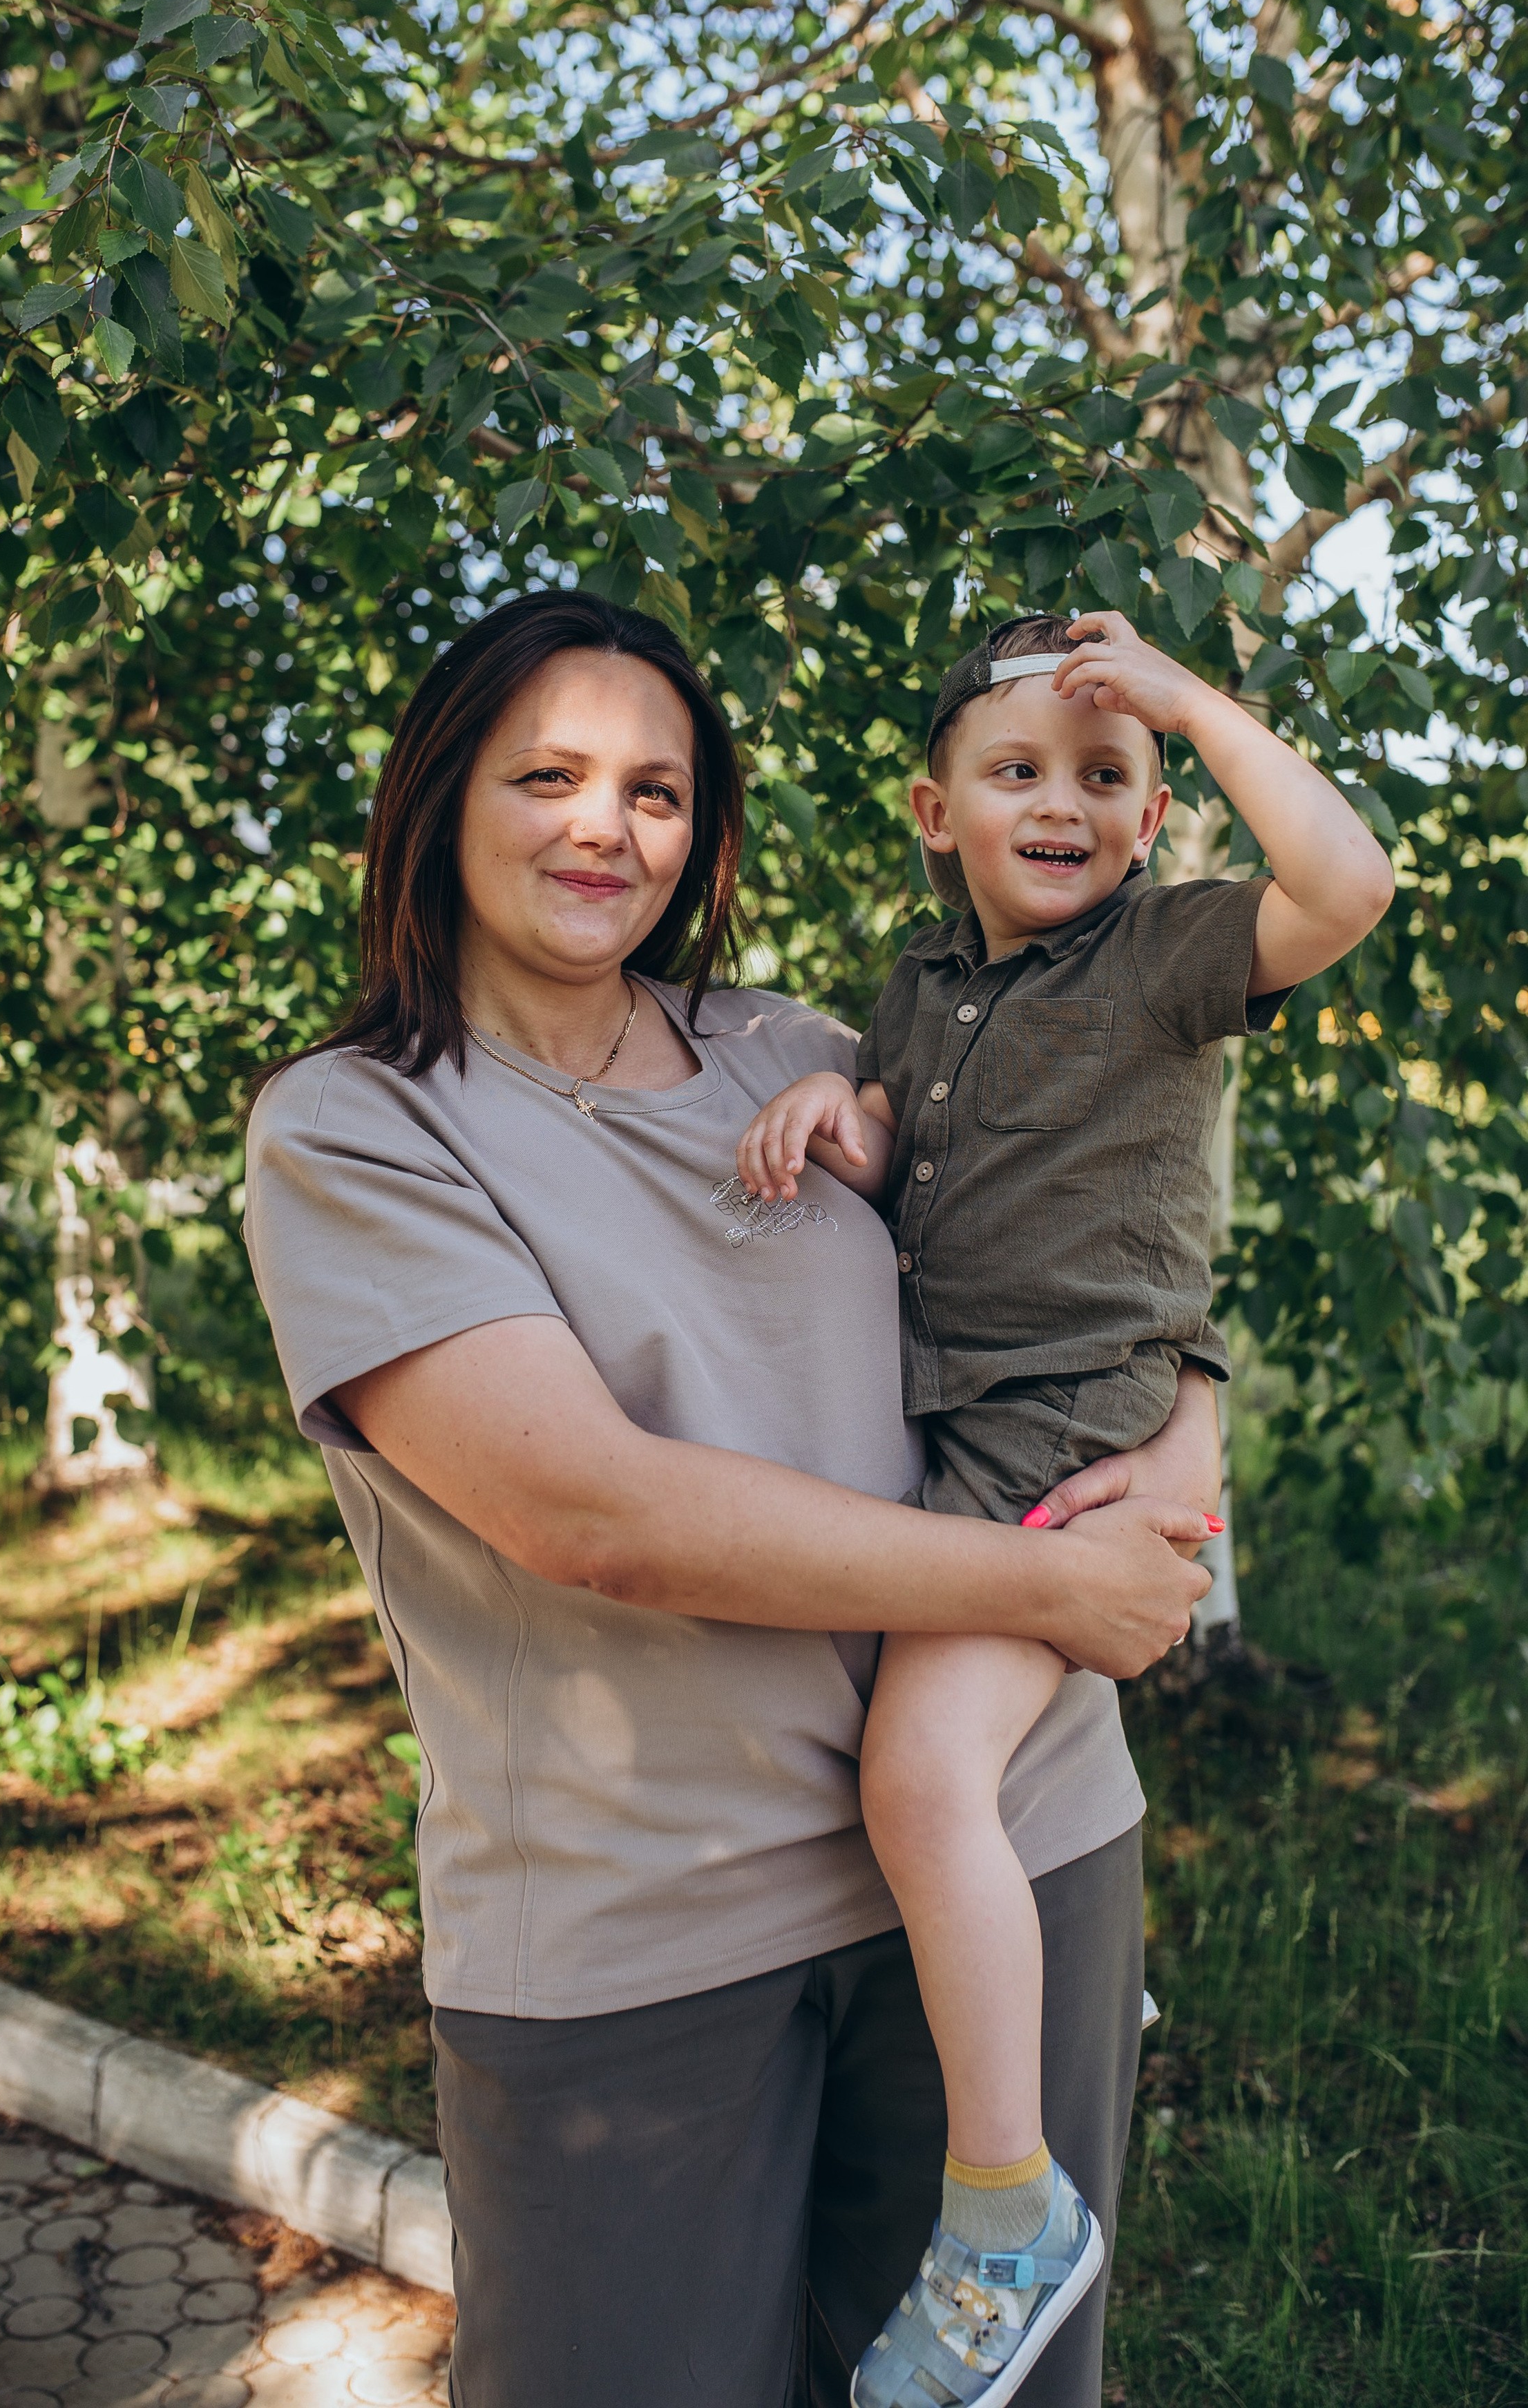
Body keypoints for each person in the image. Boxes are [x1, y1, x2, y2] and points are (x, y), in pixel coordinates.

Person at [241, 591, 1219, 2408]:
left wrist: (1200, 1414)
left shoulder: (794, 1048)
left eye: (657, 791)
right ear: (443, 799)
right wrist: (1044, 1595)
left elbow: (1061, 1251)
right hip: (649, 1931)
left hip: (1014, 1838)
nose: (604, 827)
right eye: (548, 775)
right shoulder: (358, 1127)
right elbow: (591, 1512)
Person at [736, 607, 1395, 2406]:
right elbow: (912, 1162)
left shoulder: (1168, 956)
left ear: (1155, 811)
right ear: (934, 810)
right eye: (1017, 770)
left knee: (920, 1776)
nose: (1063, 803)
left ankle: (1008, 2208)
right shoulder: (920, 982)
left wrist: (1187, 698)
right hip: (960, 1433)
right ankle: (1057, 2002)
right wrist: (834, 1114)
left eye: (1106, 776)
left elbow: (1347, 881)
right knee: (934, 1760)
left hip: (1065, 1436)